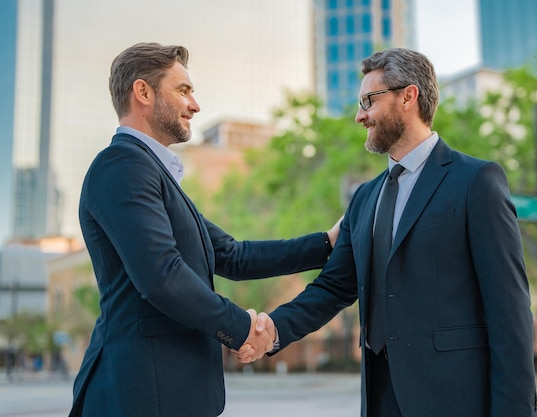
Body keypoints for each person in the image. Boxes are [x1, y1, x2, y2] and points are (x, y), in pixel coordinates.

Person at [239, 48, 537, 416]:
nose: (359, 115)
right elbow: (334, 287)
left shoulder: (476, 182)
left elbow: (509, 310)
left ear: (408, 97)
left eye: (369, 100)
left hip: (454, 399)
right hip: (380, 398)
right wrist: (273, 329)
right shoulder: (364, 198)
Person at [68, 42, 339, 417]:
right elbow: (161, 276)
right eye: (183, 90)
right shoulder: (122, 166)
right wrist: (242, 327)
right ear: (142, 92)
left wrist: (326, 243)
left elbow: (231, 255)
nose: (194, 104)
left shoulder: (152, 173)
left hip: (171, 392)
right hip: (141, 393)